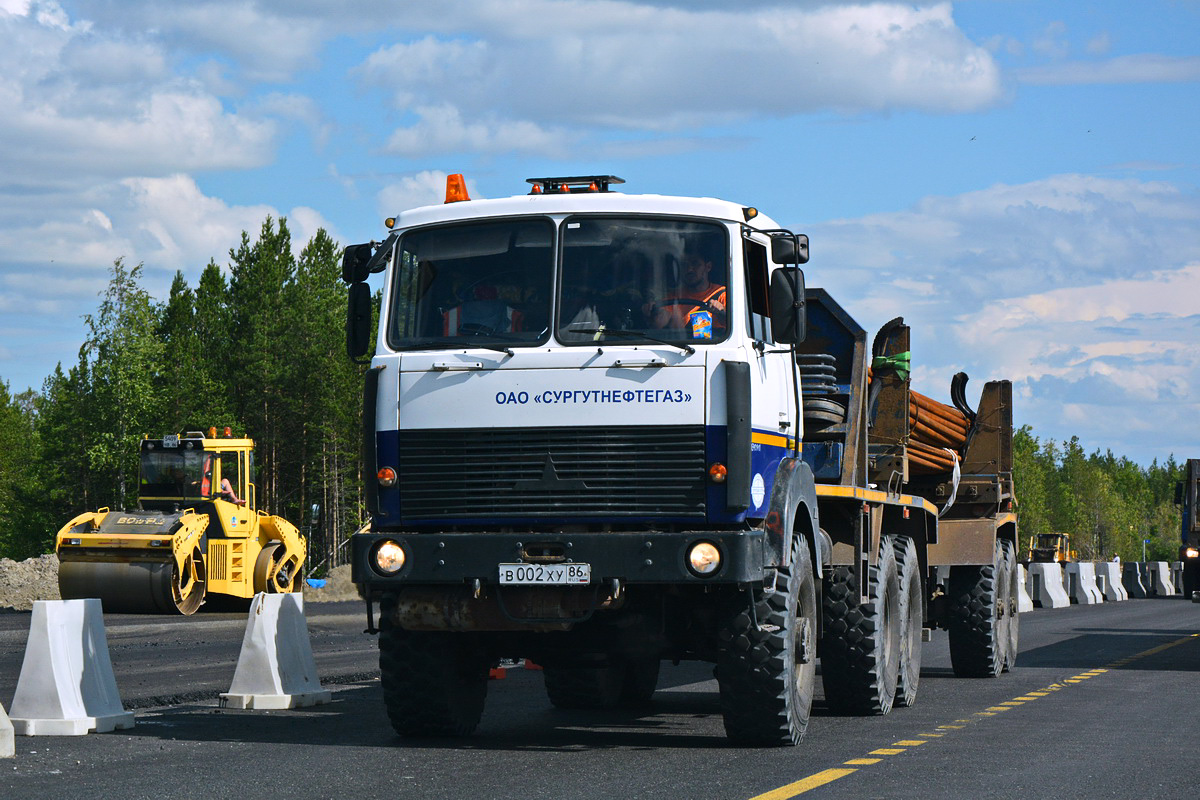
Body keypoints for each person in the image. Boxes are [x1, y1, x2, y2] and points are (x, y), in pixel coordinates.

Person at [650, 251, 727, 334]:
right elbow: (658, 326)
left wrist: (721, 312)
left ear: (708, 267)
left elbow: (736, 325)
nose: (689, 269)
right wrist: (651, 311)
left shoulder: (722, 295)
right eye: (684, 265)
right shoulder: (673, 298)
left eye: (695, 263)